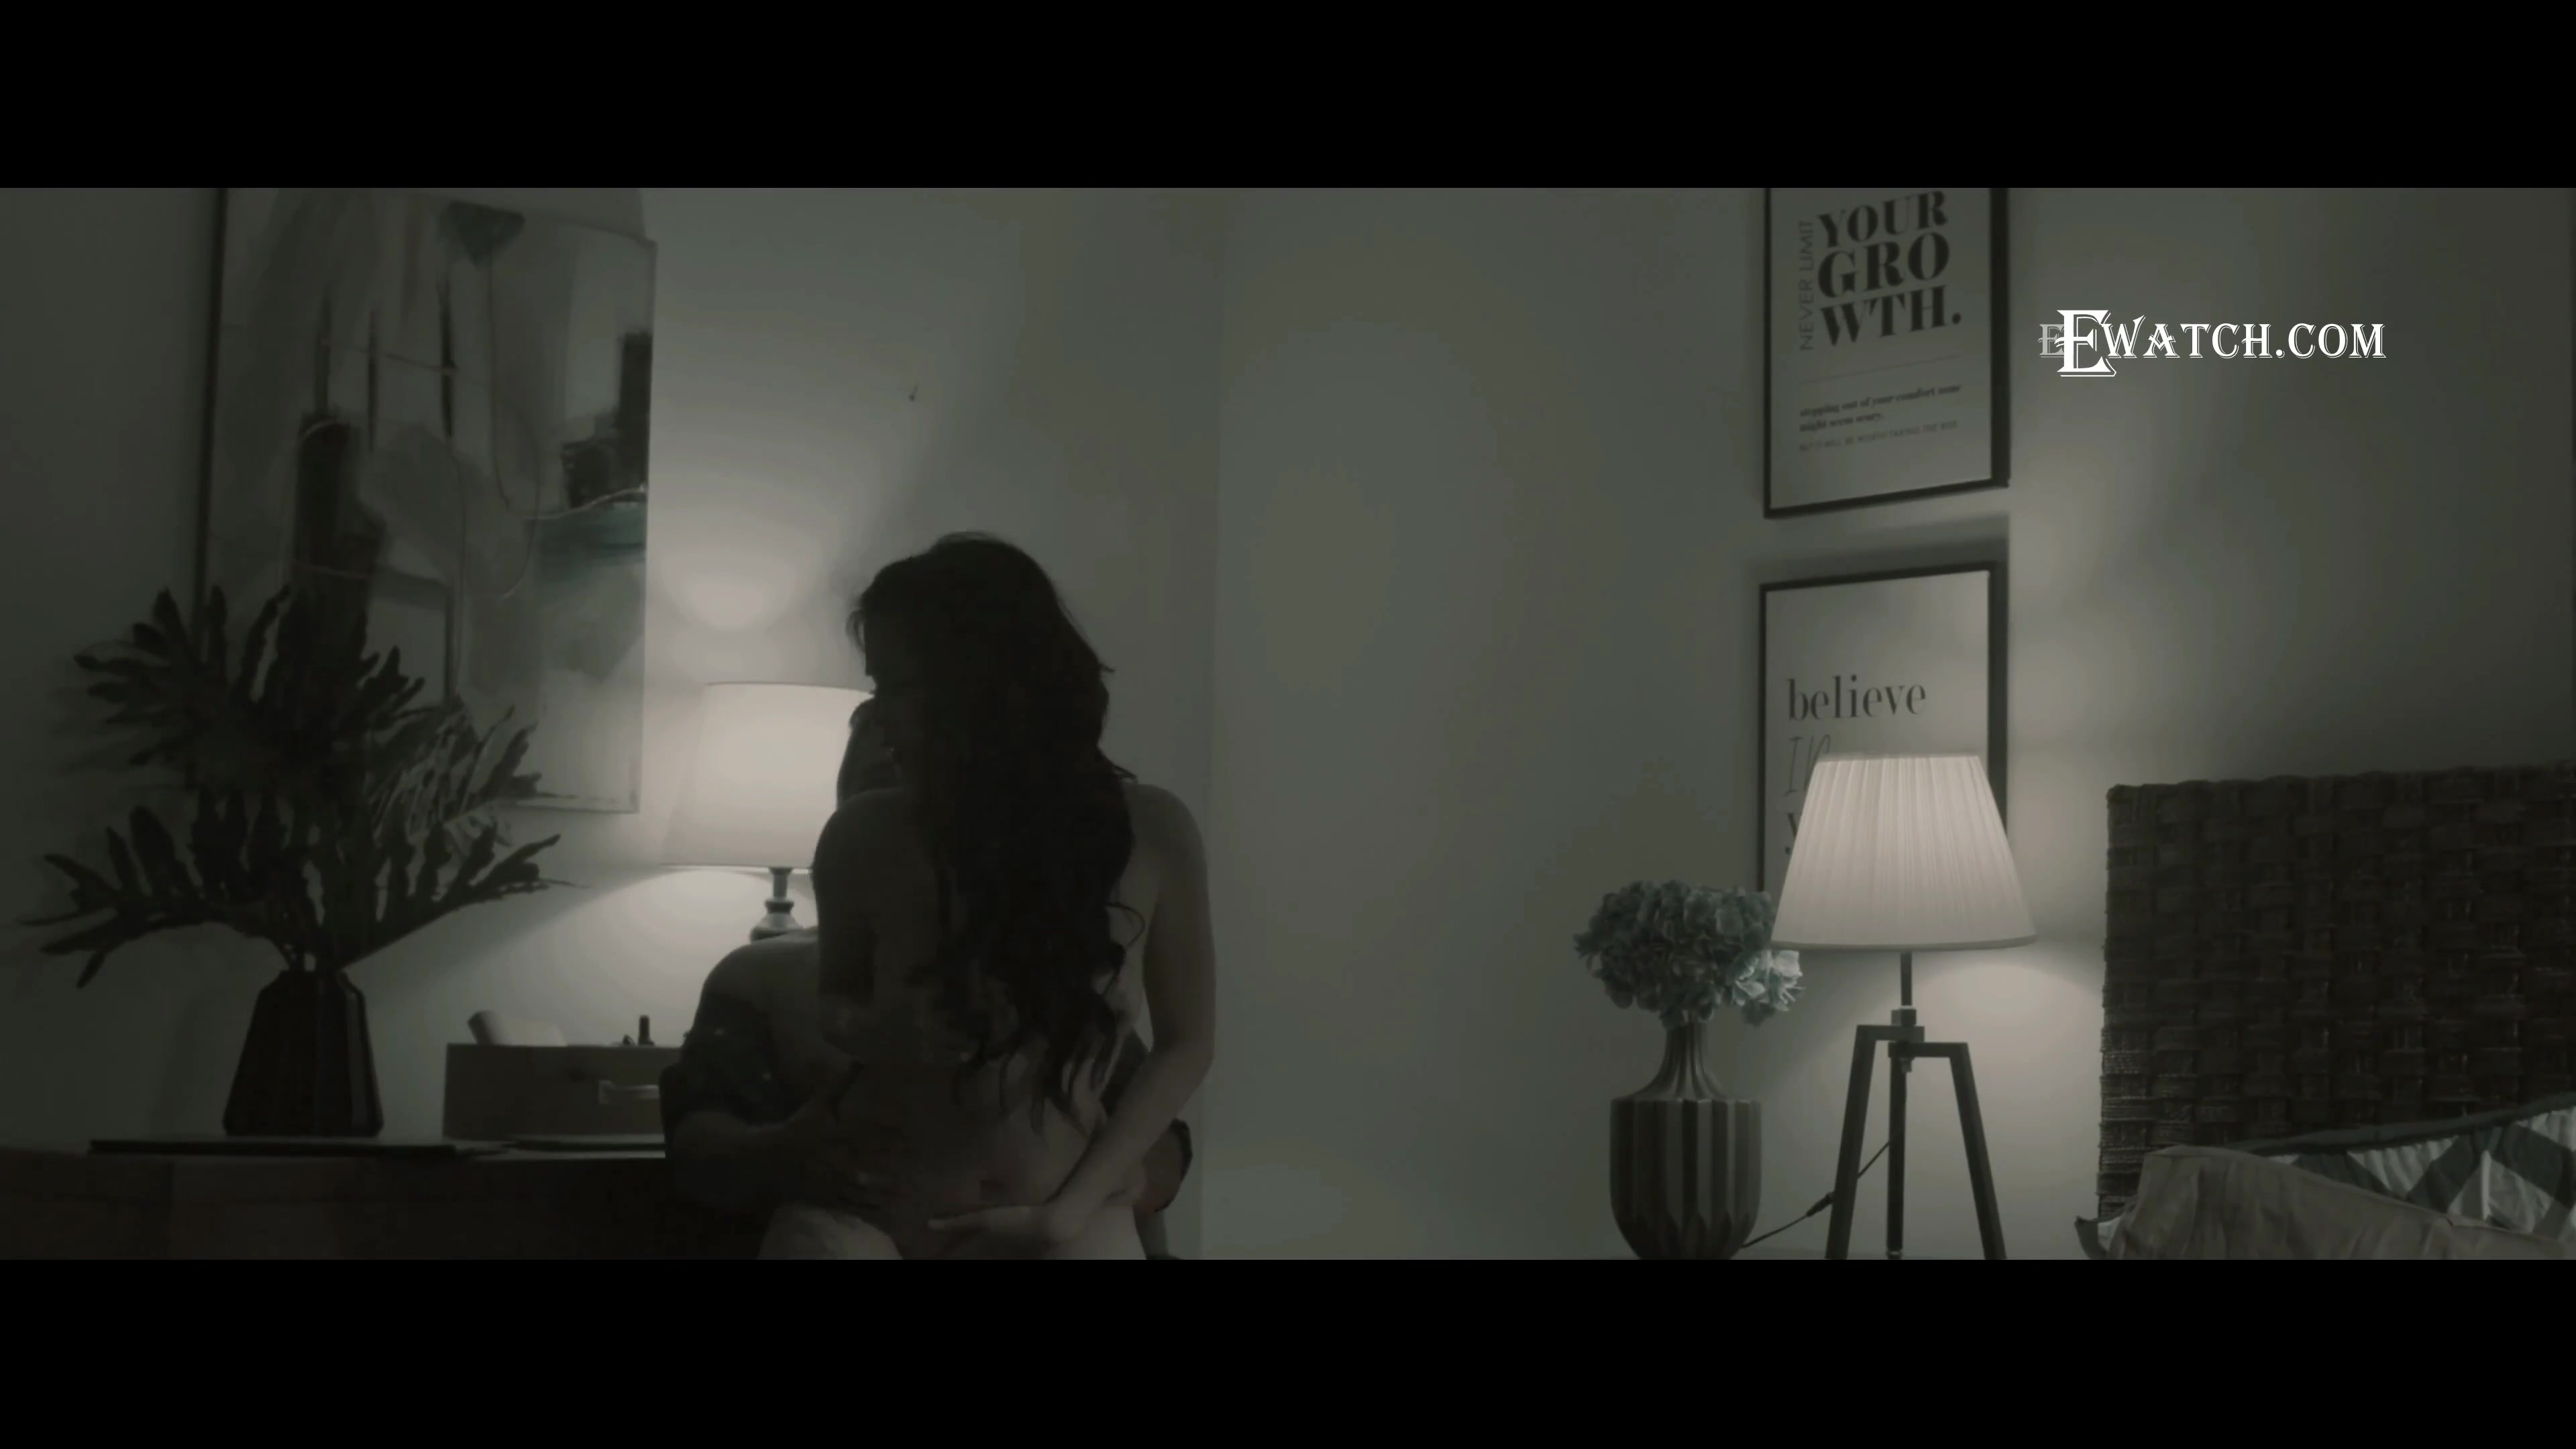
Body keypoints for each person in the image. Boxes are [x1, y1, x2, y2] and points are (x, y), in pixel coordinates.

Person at [672, 534, 1215, 1259]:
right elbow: (837, 1006)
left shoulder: (1153, 830)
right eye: (876, 688)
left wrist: (1073, 1209)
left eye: (897, 688)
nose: (879, 719)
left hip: (1061, 1220)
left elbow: (1188, 1043)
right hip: (878, 1218)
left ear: (983, 684)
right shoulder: (862, 834)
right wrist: (884, 1027)